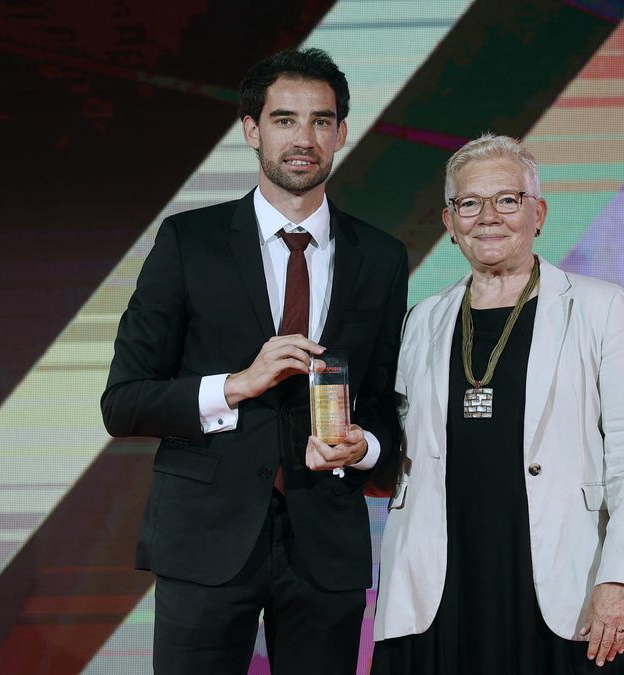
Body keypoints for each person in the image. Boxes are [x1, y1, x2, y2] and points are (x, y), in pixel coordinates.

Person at [102, 48, 408, 675]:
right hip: (204, 540)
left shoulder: (380, 257)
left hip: (326, 543)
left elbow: (383, 400)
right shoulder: (189, 243)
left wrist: (365, 448)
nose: (304, 138)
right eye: (284, 119)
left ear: (342, 132)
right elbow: (125, 401)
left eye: (321, 121)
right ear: (251, 130)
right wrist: (237, 386)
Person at [372, 134, 624, 673]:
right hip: (441, 581)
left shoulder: (600, 308)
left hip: (565, 577)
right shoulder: (421, 320)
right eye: (469, 203)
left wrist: (620, 578)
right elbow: (401, 449)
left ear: (538, 213)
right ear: (448, 220)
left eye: (507, 200)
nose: (488, 217)